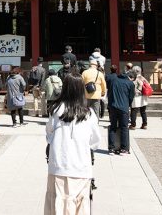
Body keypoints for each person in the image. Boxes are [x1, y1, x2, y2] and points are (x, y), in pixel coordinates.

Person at [45, 74, 101, 215]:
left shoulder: (55, 110)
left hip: (58, 164)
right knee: (79, 205)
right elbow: (95, 141)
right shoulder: (89, 114)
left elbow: (49, 134)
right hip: (81, 166)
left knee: (58, 202)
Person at [106, 66, 134, 155]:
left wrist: (109, 106)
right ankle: (124, 148)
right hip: (124, 107)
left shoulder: (114, 81)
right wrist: (128, 105)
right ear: (130, 77)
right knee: (124, 128)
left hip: (113, 106)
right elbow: (131, 97)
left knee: (113, 127)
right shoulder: (130, 83)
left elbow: (109, 94)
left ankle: (111, 148)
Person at [129, 66, 149, 130]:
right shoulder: (143, 78)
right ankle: (144, 124)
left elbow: (131, 87)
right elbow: (148, 85)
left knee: (134, 111)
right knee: (143, 111)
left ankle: (133, 125)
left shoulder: (134, 78)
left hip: (136, 96)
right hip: (144, 96)